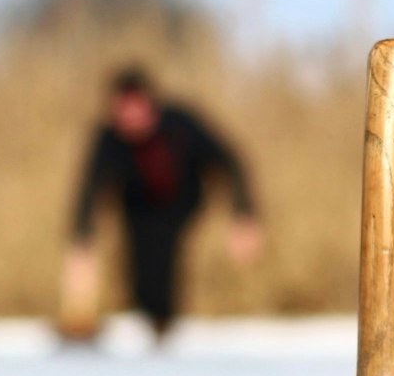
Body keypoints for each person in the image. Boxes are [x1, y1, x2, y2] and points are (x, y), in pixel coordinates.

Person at [66, 66, 263, 340]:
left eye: (135, 109)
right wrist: (82, 237)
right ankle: (146, 326)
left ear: (150, 105)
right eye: (122, 111)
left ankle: (167, 324)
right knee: (138, 267)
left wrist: (244, 213)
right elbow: (88, 190)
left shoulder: (181, 124)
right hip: (135, 207)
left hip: (182, 201)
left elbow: (228, 160)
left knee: (163, 256)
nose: (130, 119)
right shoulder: (108, 139)